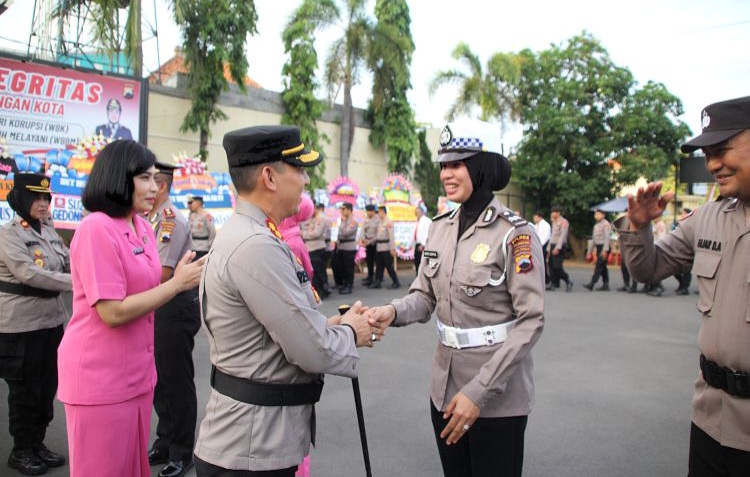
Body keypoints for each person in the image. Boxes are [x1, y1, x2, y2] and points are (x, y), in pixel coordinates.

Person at [193, 125, 376, 477]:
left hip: (251, 440)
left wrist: (334, 325)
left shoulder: (253, 235)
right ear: (269, 177)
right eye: (300, 169)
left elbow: (269, 333)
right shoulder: (256, 245)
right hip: (252, 447)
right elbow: (312, 351)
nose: (306, 181)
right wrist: (352, 333)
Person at [367, 120, 545, 477]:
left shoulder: (515, 234)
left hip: (497, 398)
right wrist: (391, 311)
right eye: (444, 165)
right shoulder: (440, 226)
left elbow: (531, 322)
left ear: (483, 167)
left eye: (457, 163)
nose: (447, 174)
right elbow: (423, 295)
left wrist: (479, 391)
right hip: (445, 389)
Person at [56, 140, 205, 477]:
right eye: (145, 178)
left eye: (156, 179)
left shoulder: (140, 227)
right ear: (119, 178)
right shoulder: (96, 228)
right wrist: (178, 283)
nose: (155, 187)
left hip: (135, 376)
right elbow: (112, 312)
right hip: (100, 378)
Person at [619, 95, 750, 476]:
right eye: (707, 154)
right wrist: (640, 227)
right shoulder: (706, 218)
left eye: (722, 149)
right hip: (710, 416)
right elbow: (648, 269)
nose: (712, 164)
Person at [0, 173, 70, 476]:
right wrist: (80, 282)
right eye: (36, 198)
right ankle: (22, 449)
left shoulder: (50, 233)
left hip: (51, 322)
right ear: (22, 200)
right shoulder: (9, 234)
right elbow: (29, 274)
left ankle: (38, 442)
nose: (42, 204)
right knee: (25, 391)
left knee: (46, 388)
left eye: (46, 199)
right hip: (20, 326)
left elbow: (68, 261)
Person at [146, 161, 202, 477]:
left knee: (176, 379)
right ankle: (165, 440)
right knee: (159, 379)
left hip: (173, 305)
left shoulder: (170, 221)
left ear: (162, 185)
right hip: (158, 304)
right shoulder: (148, 218)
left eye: (147, 180)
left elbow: (162, 274)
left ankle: (182, 450)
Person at [302, 203, 332, 298]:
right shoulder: (313, 218)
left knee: (317, 271)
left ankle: (321, 292)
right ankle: (322, 290)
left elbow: (316, 233)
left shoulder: (320, 218)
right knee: (318, 271)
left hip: (317, 247)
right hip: (311, 247)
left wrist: (302, 234)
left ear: (315, 208)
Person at [368, 205, 400, 289]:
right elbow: (377, 236)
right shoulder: (380, 222)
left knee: (389, 266)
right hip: (379, 247)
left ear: (382, 212)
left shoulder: (388, 222)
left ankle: (396, 282)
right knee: (379, 266)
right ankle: (378, 281)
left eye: (378, 212)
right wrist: (368, 242)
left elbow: (391, 236)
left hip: (385, 248)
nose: (377, 214)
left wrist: (392, 248)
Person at [331, 202, 358, 295]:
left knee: (348, 268)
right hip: (341, 247)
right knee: (341, 266)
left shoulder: (353, 222)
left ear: (349, 210)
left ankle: (349, 285)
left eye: (344, 209)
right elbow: (339, 233)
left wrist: (342, 223)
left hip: (349, 247)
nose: (342, 211)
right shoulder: (344, 221)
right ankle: (345, 283)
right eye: (341, 209)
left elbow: (345, 233)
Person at [583, 208, 612, 291]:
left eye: (598, 214)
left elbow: (607, 238)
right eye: (595, 214)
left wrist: (605, 250)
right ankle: (606, 284)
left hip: (604, 247)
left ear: (603, 215)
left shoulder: (606, 224)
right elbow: (593, 240)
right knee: (603, 267)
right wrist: (589, 252)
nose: (596, 216)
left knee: (598, 266)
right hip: (599, 247)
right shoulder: (596, 225)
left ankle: (592, 283)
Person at [547, 205, 573, 291]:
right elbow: (551, 235)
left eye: (554, 212)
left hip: (560, 246)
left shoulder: (564, 222)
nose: (552, 213)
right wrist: (548, 248)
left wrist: (558, 248)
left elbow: (562, 235)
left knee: (557, 266)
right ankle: (553, 283)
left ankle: (567, 280)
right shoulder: (553, 221)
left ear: (558, 213)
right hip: (552, 245)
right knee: (551, 266)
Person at [673, 207, 693, 295]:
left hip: (688, 249)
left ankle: (685, 288)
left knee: (686, 271)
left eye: (684, 213)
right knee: (675, 270)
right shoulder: (679, 223)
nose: (682, 215)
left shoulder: (691, 224)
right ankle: (681, 285)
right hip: (678, 249)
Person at [360, 204, 379, 286]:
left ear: (373, 211)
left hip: (375, 243)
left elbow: (378, 234)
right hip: (367, 243)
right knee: (369, 261)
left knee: (377, 261)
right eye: (367, 211)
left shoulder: (378, 220)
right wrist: (363, 239)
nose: (368, 213)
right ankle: (370, 277)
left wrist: (370, 241)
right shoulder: (366, 220)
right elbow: (362, 230)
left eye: (369, 211)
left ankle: (377, 278)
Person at [532, 211, 551, 287]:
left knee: (542, 263)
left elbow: (545, 237)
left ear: (539, 217)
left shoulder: (546, 225)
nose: (534, 219)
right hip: (537, 245)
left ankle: (546, 278)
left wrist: (539, 245)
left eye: (535, 217)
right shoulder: (535, 225)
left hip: (543, 246)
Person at [413, 202, 432, 275]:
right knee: (417, 262)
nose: (417, 213)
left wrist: (423, 244)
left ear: (422, 212)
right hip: (417, 244)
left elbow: (429, 233)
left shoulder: (426, 220)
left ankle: (422, 281)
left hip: (423, 245)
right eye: (416, 212)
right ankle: (418, 279)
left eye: (418, 211)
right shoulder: (418, 221)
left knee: (423, 264)